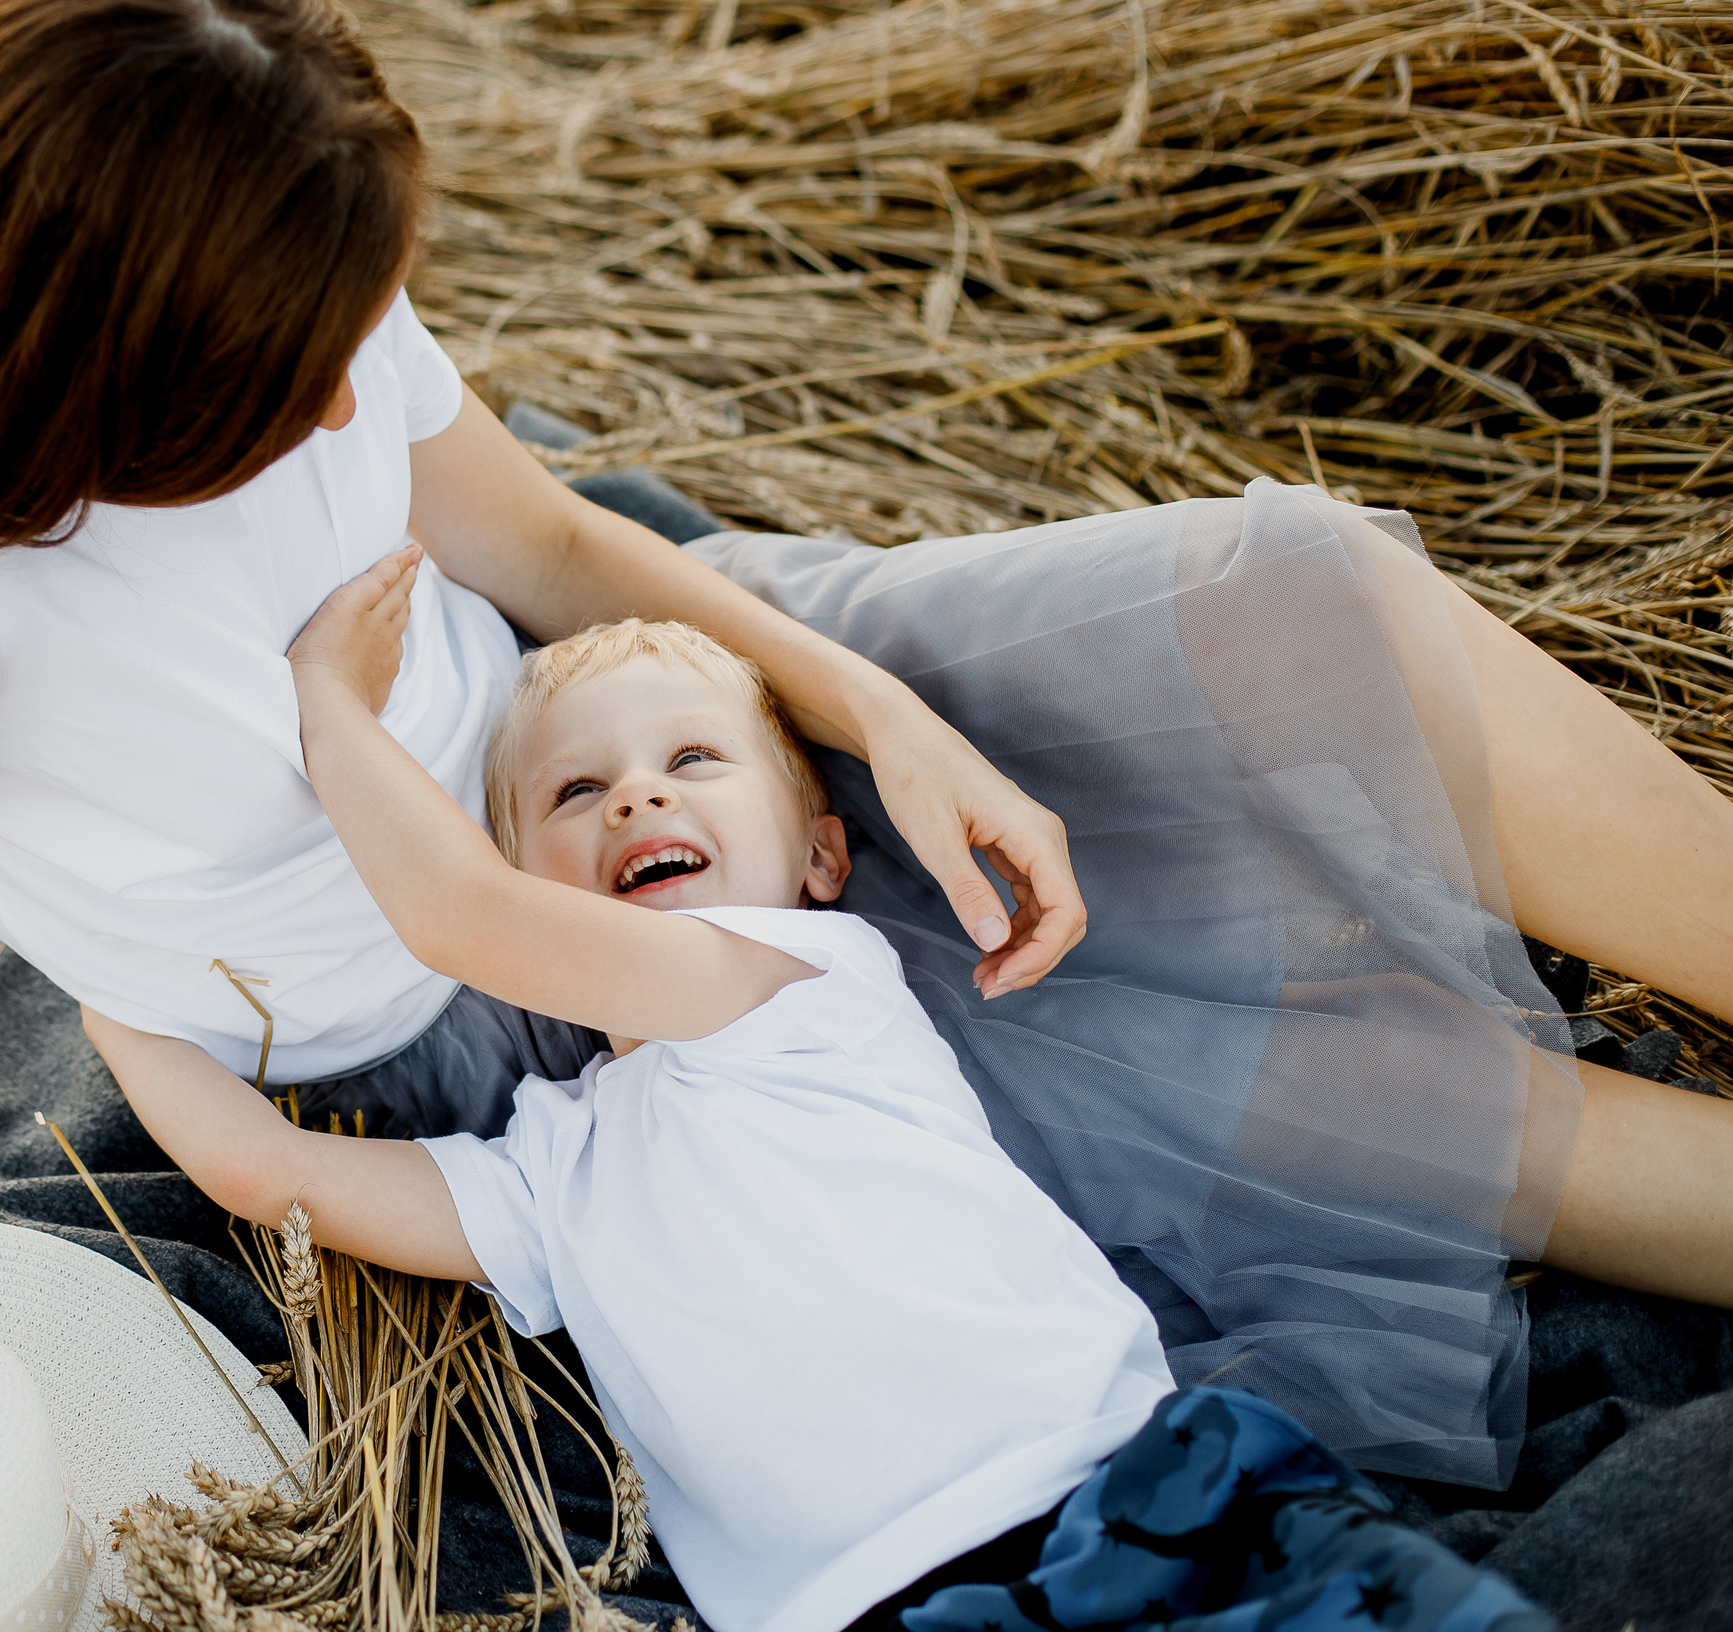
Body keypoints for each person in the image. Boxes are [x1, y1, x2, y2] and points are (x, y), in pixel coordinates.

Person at [0, 0, 1731, 1491]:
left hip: (638, 700)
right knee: (1342, 1114)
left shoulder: (287, 290)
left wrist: (877, 713)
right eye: (285, 365)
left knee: (1306, 593)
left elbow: (549, 541)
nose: (341, 380)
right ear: (88, 358)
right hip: (532, 970)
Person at [86, 578, 1551, 1632]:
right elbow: (264, 1170)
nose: (636, 804)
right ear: (540, 873)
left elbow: (460, 920)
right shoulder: (546, 1173)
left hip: (1137, 1499)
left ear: (822, 862)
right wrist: (114, 984)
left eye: (692, 762)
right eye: (576, 791)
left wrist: (329, 708)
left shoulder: (800, 987)